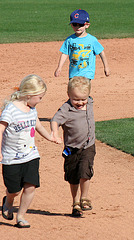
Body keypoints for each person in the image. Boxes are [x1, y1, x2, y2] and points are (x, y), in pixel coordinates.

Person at [0, 74, 57, 228]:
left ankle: (21, 216)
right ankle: (8, 201)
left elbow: (38, 126)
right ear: (29, 95)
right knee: (14, 190)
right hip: (11, 158)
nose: (40, 101)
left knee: (30, 186)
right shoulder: (11, 110)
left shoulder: (32, 109)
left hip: (31, 155)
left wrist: (50, 137)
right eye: (40, 97)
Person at [51, 76, 96, 217]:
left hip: (88, 145)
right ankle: (75, 202)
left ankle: (84, 198)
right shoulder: (66, 109)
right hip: (72, 149)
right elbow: (55, 120)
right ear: (68, 95)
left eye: (83, 99)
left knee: (85, 171)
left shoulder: (90, 102)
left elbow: (85, 89)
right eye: (76, 99)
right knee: (73, 177)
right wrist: (54, 133)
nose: (80, 102)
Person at [54, 9, 110, 80]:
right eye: (75, 24)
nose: (77, 27)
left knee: (83, 90)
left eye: (80, 24)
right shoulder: (69, 40)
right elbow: (64, 54)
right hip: (73, 73)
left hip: (87, 74)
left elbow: (101, 52)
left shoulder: (92, 40)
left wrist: (106, 67)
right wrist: (59, 67)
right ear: (71, 25)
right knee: (74, 91)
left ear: (87, 25)